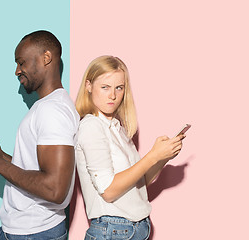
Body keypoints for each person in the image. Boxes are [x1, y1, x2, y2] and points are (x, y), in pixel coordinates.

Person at [0, 30, 80, 240]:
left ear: (46, 58)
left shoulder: (52, 111)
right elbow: (38, 169)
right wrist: (0, 156)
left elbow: (55, 189)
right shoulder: (49, 107)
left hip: (33, 233)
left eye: (21, 62)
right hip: (29, 231)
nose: (17, 71)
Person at [75, 55, 185, 240]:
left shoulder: (117, 128)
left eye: (119, 88)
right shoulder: (91, 126)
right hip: (113, 229)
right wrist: (152, 156)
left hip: (135, 228)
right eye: (105, 87)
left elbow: (139, 182)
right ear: (88, 86)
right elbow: (108, 191)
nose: (113, 95)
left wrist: (162, 157)